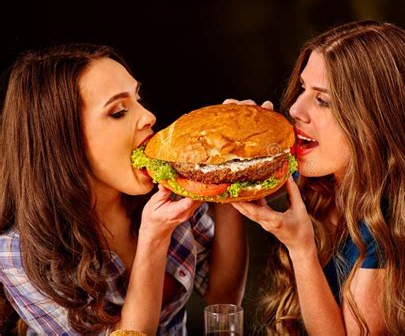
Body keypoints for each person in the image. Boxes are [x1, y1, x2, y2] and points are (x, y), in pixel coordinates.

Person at [230, 20, 405, 335]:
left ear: (376, 120)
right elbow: (223, 289)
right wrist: (236, 145)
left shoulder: (388, 225)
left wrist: (301, 249)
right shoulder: (322, 181)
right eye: (303, 88)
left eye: (323, 100)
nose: (295, 109)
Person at [0, 44, 247, 335]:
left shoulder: (170, 190)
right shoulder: (18, 253)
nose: (149, 116)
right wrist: (154, 239)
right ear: (62, 142)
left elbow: (223, 299)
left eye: (138, 99)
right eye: (118, 111)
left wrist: (231, 175)